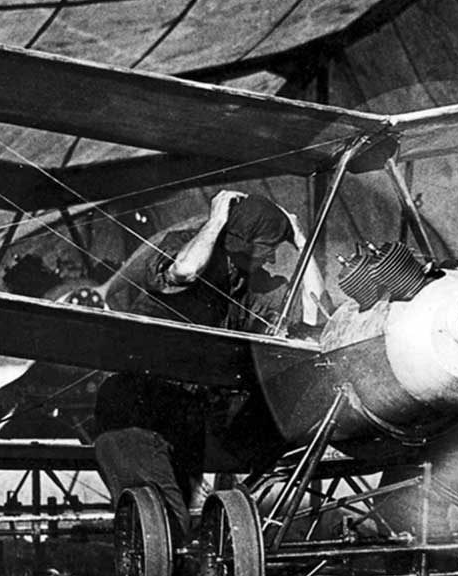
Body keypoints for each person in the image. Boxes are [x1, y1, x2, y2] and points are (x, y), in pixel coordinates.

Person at [94, 190, 324, 538]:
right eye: (266, 246)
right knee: (164, 525)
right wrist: (216, 221)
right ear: (239, 242)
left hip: (186, 414)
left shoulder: (253, 288)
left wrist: (302, 240)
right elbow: (184, 272)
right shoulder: (184, 247)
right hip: (134, 411)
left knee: (183, 532)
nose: (273, 256)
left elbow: (311, 317)